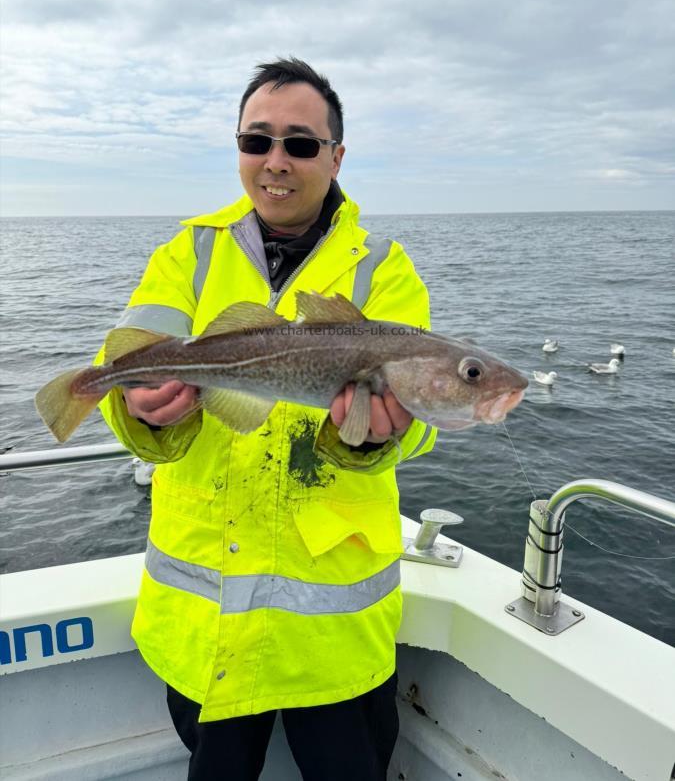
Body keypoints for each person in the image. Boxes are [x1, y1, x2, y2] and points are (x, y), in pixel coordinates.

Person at [99, 57, 436, 780]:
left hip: (331, 638)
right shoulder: (185, 253)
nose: (274, 162)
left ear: (336, 155)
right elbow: (128, 362)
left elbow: (419, 416)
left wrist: (380, 435)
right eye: (256, 141)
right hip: (204, 623)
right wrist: (140, 409)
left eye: (300, 144)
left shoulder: (384, 269)